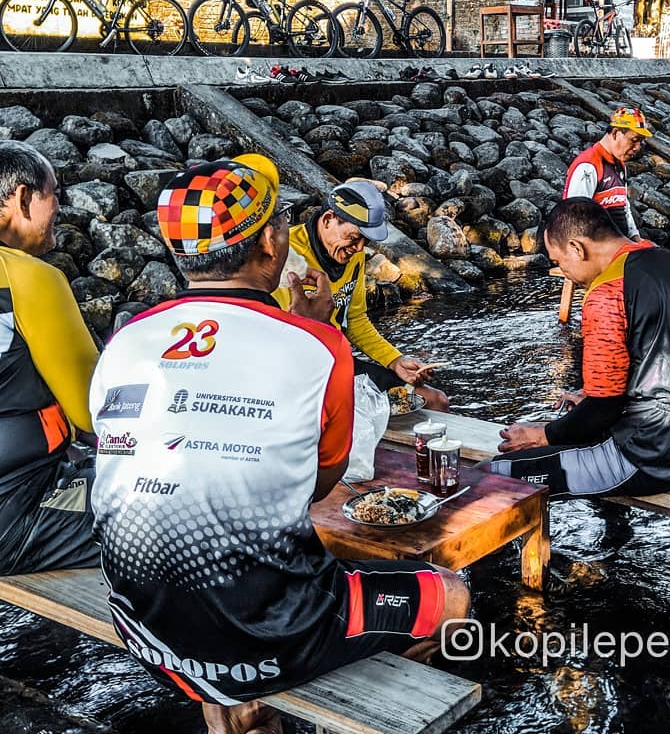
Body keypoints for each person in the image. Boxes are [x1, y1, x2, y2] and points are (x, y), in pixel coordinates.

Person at [90, 154, 468, 734]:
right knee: (452, 596)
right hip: (273, 631)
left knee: (221, 605)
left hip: (144, 628)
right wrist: (316, 328)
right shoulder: (317, 347)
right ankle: (308, 694)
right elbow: (316, 488)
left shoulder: (123, 342)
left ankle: (242, 711)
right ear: (271, 241)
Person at [486, 198, 670, 498]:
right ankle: (613, 535)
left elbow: (603, 408)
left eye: (559, 261)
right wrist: (589, 398)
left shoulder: (607, 291)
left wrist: (543, 435)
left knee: (493, 475)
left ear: (577, 248)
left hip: (654, 456)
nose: (562, 271)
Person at [0, 143, 100, 575]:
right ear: (23, 198)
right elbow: (95, 412)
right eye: (53, 193)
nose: (60, 206)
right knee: (170, 506)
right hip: (16, 515)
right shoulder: (30, 279)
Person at [272, 178, 449, 411]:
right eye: (354, 237)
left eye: (365, 241)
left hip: (336, 364)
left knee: (434, 400)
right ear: (328, 220)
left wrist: (394, 360)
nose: (358, 248)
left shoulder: (352, 256)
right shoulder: (285, 255)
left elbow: (355, 319)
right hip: (292, 377)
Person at [563, 106, 652, 240]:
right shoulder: (588, 166)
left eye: (641, 142)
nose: (637, 148)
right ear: (616, 133)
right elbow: (574, 219)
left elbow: (623, 205)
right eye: (634, 140)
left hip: (618, 246)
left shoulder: (620, 165)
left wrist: (635, 237)